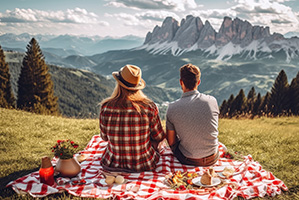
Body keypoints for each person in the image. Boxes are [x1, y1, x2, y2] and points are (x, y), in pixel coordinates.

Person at [99, 64, 166, 172]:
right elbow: (159, 136)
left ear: (119, 84)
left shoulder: (106, 107)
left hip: (112, 163)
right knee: (155, 142)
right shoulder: (149, 107)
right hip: (144, 164)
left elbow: (104, 137)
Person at [166, 63, 220, 167]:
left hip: (188, 160)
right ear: (199, 82)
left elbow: (171, 141)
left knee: (175, 144)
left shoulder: (172, 108)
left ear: (181, 82)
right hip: (212, 158)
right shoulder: (212, 101)